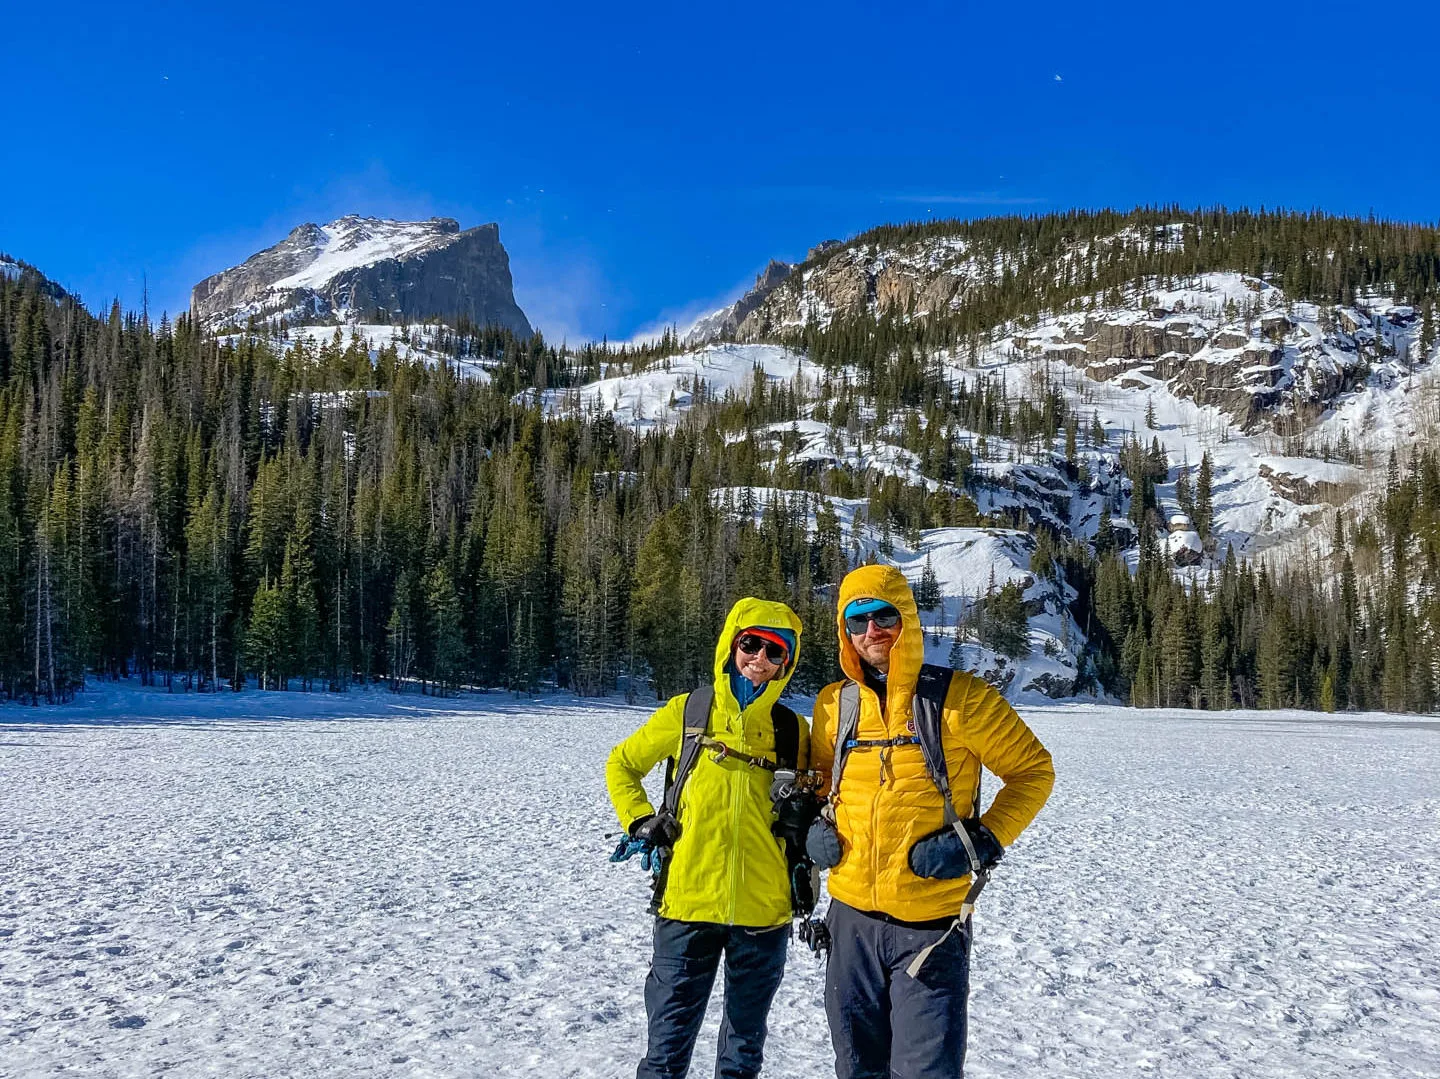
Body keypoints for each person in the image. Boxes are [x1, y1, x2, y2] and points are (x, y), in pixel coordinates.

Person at [806, 564, 1055, 1079]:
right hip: (849, 920)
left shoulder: (962, 699)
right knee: (855, 1068)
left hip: (930, 928)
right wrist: (816, 826)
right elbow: (822, 779)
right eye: (857, 621)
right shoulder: (834, 705)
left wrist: (982, 841)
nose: (871, 632)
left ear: (907, 621)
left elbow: (1033, 772)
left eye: (883, 616)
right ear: (844, 632)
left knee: (925, 1072)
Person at [606, 597, 816, 1079]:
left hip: (764, 912)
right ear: (731, 645)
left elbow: (817, 798)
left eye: (774, 651)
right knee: (666, 1051)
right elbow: (622, 764)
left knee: (743, 1054)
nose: (759, 658)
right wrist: (640, 821)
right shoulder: (689, 712)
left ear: (787, 662)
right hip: (686, 905)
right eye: (751, 644)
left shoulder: (792, 729)